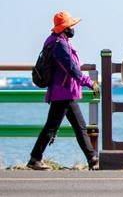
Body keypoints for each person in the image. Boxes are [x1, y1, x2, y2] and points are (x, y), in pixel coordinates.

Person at [28, 11, 100, 170]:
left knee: (75, 127)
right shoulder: (60, 45)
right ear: (65, 28)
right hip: (64, 92)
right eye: (71, 26)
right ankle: (92, 159)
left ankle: (92, 159)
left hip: (63, 91)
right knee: (57, 127)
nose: (73, 29)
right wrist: (90, 83)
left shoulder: (54, 40)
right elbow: (72, 69)